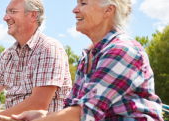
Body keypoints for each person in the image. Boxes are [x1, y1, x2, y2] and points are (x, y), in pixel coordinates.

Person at [13, 0, 164, 120]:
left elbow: (84, 113)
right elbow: (72, 110)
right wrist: (43, 115)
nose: (75, 9)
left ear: (108, 10)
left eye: (83, 3)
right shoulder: (87, 56)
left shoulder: (123, 50)